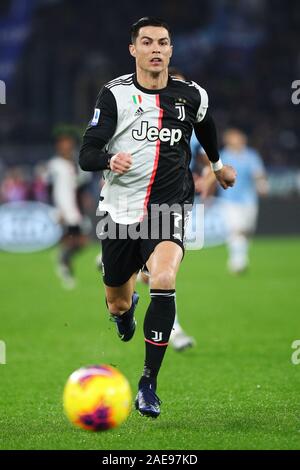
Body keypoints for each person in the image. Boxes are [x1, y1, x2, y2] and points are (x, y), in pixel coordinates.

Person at [79, 17, 236, 418]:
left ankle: (148, 383)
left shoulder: (190, 95)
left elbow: (206, 126)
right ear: (133, 50)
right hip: (118, 210)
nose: (155, 49)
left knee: (164, 279)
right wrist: (109, 158)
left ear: (170, 50)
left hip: (169, 206)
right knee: (115, 302)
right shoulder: (114, 96)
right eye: (146, 42)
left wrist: (217, 165)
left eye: (162, 43)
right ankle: (125, 308)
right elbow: (87, 154)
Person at [216, 128, 268, 273]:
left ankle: (241, 256)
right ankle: (237, 261)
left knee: (247, 231)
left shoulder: (251, 155)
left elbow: (258, 173)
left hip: (249, 200)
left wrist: (262, 185)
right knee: (235, 229)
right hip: (228, 200)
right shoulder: (224, 155)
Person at [48, 126, 89, 289]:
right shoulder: (55, 165)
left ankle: (63, 261)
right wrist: (57, 210)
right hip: (64, 210)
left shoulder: (76, 164)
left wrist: (84, 200)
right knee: (74, 240)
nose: (66, 145)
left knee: (81, 242)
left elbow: (81, 187)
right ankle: (66, 272)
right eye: (63, 142)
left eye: (68, 142)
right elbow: (49, 189)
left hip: (76, 210)